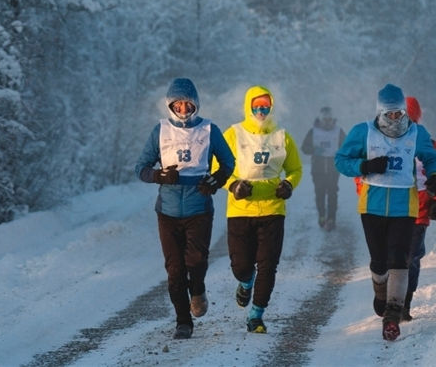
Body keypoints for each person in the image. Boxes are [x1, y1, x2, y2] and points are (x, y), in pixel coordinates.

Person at [334, 83, 436, 342]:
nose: (395, 119)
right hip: (371, 205)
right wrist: (365, 165)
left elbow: (431, 157)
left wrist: (435, 176)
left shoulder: (416, 133)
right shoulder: (364, 132)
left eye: (399, 113)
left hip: (405, 206)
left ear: (405, 112)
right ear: (380, 112)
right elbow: (341, 160)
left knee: (399, 259)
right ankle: (380, 292)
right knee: (379, 262)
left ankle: (393, 316)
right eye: (390, 114)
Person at [134, 78, 235, 340]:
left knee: (196, 261)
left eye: (186, 104)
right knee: (175, 269)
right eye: (177, 104)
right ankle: (183, 321)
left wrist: (217, 180)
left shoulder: (210, 129)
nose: (182, 109)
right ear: (170, 105)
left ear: (195, 105)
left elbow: (228, 162)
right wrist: (159, 176)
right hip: (167, 211)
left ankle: (198, 289)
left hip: (199, 207)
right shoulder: (160, 130)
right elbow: (141, 168)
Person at [222, 85, 303, 334]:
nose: (260, 110)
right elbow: (219, 166)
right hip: (240, 210)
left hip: (273, 210)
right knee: (241, 266)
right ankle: (246, 283)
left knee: (268, 265)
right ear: (248, 107)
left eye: (265, 106)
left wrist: (288, 185)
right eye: (256, 106)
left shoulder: (282, 136)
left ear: (271, 107)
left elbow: (295, 169)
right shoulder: (233, 134)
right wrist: (233, 185)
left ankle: (256, 315)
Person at [403, 96, 436, 322]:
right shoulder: (384, 144)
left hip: (420, 210)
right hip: (391, 209)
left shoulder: (430, 146)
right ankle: (387, 294)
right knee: (388, 257)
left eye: (411, 122)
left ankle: (403, 303)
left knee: (411, 257)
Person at [301, 106, 345, 231]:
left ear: (332, 119)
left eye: (329, 119)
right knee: (319, 193)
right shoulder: (313, 131)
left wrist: (341, 153)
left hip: (333, 168)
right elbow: (304, 148)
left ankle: (331, 218)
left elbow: (347, 145)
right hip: (318, 168)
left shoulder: (338, 131)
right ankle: (321, 215)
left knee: (332, 193)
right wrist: (314, 150)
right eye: (324, 119)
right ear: (320, 120)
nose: (327, 122)